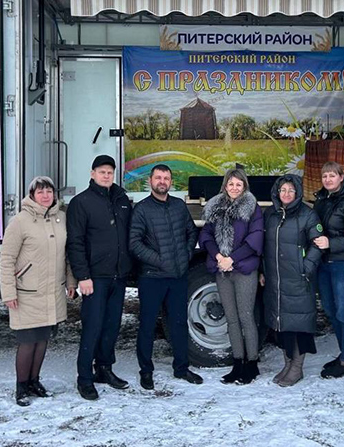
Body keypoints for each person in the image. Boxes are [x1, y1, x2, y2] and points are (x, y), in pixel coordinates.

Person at [0, 176, 76, 406]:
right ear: (32, 195)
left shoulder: (61, 218)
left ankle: (34, 382)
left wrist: (71, 282)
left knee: (42, 339)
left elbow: (67, 255)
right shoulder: (20, 221)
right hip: (27, 292)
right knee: (27, 341)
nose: (45, 195)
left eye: (49, 191)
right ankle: (21, 387)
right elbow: (7, 259)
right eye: (40, 191)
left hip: (52, 290)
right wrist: (9, 293)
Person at [129, 164, 203, 389]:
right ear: (150, 181)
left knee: (179, 323)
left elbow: (192, 232)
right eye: (158, 177)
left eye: (166, 178)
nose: (162, 181)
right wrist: (161, 261)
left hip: (177, 277)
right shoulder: (141, 210)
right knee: (148, 326)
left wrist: (187, 254)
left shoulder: (179, 206)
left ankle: (181, 368)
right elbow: (134, 243)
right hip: (152, 278)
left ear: (171, 183)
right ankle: (146, 371)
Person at [66, 155, 133, 401]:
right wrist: (83, 276)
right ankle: (84, 378)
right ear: (92, 173)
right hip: (95, 278)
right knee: (92, 327)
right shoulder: (81, 203)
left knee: (112, 326)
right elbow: (75, 243)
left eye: (110, 172)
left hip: (118, 275)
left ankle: (104, 369)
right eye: (102, 172)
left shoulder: (121, 200)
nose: (106, 176)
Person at [199, 168, 264, 384]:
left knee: (246, 316)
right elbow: (206, 234)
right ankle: (238, 363)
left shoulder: (252, 208)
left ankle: (252, 363)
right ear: (225, 185)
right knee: (232, 318)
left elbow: (255, 239)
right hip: (222, 270)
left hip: (243, 270)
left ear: (244, 186)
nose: (234, 188)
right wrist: (218, 256)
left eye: (239, 184)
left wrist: (231, 259)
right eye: (231, 184)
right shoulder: (216, 206)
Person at [260, 174, 324, 387]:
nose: (286, 194)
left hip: (298, 278)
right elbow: (264, 247)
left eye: (291, 191)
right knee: (283, 324)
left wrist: (307, 268)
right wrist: (263, 271)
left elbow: (317, 245)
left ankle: (297, 367)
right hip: (276, 279)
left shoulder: (308, 215)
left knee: (299, 324)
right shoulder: (271, 213)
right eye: (283, 190)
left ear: (297, 193)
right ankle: (287, 364)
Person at [312, 161, 344, 379]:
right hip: (324, 264)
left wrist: (331, 244)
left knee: (343, 311)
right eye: (325, 176)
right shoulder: (322, 200)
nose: (328, 180)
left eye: (332, 176)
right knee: (331, 310)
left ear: (342, 177)